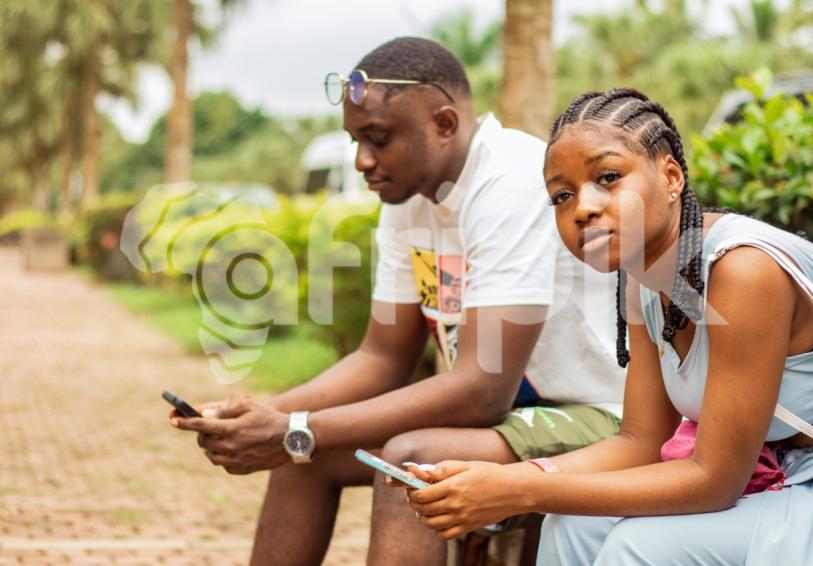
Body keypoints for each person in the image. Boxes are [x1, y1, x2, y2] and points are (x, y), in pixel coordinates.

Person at [169, 39, 625, 565]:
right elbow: (381, 357)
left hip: (600, 416)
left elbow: (482, 391)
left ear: (445, 124)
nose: (362, 160)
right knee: (307, 459)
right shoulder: (409, 201)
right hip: (514, 418)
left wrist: (298, 428)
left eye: (378, 138)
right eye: (355, 140)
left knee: (409, 460)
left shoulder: (510, 181)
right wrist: (265, 416)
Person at [401, 87, 813, 565]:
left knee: (636, 546)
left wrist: (523, 489)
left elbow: (715, 480)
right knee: (572, 525)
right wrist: (518, 475)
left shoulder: (743, 271)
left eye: (608, 177)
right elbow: (640, 441)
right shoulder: (642, 282)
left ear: (671, 176)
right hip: (788, 478)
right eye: (561, 195)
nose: (583, 208)